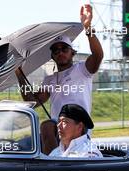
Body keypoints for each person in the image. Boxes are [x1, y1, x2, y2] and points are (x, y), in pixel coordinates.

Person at [15, 4, 103, 154]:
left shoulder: (82, 69)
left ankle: (54, 164)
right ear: (52, 56)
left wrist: (88, 28)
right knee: (37, 134)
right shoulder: (50, 79)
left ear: (72, 53)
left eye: (64, 49)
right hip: (58, 129)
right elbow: (32, 101)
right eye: (56, 50)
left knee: (47, 127)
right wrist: (19, 74)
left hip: (78, 127)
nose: (60, 52)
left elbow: (98, 56)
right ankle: (52, 165)